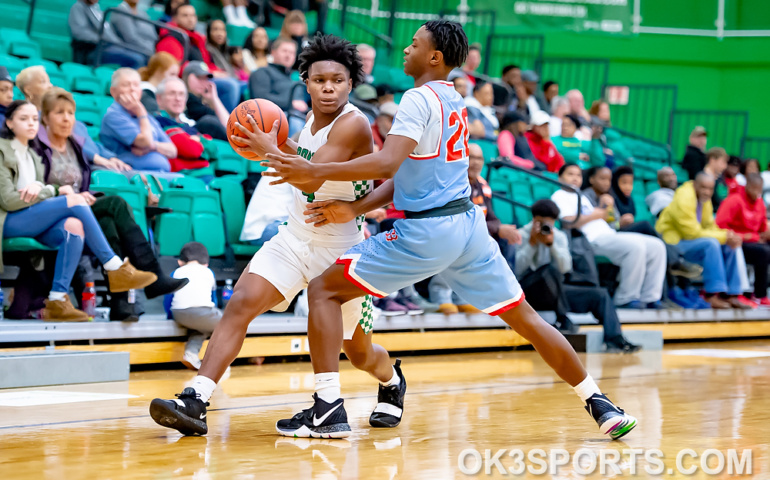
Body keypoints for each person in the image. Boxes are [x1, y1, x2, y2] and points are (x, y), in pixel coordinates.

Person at [261, 22, 636, 440]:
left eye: (415, 44)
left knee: (323, 290)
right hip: (469, 227)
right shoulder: (454, 98)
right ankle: (599, 402)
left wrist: (315, 170)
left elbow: (386, 164)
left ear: (434, 57)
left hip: (428, 232)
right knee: (527, 319)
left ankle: (326, 407)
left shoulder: (417, 98)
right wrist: (355, 208)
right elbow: (404, 172)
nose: (405, 49)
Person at [150, 34, 406, 438]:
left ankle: (391, 382)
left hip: (341, 247)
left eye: (336, 81)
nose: (327, 87)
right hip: (295, 236)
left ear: (350, 85)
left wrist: (270, 147)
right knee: (241, 304)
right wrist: (267, 142)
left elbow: (309, 175)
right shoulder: (308, 120)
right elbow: (303, 159)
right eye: (319, 79)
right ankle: (195, 398)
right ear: (305, 81)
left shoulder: (354, 123)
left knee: (360, 353)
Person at [34, 88, 188, 320]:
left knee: (107, 220)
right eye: (59, 113)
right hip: (51, 213)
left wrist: (87, 194)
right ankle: (152, 275)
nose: (67, 118)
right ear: (45, 118)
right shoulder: (37, 147)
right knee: (116, 204)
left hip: (79, 208)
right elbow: (36, 187)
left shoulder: (74, 147)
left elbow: (80, 184)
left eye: (70, 113)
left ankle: (121, 304)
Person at [0, 100, 157, 321]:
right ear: (9, 122)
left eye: (34, 119)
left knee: (74, 227)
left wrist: (45, 189)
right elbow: (7, 200)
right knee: (75, 201)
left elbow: (41, 191)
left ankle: (57, 299)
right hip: (9, 221)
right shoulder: (2, 150)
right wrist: (47, 190)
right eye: (23, 119)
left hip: (32, 217)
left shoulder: (33, 155)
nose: (31, 124)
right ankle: (114, 266)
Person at [516, 200, 640, 353]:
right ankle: (562, 318)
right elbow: (518, 270)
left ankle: (614, 338)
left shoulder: (559, 236)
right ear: (534, 219)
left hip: (557, 292)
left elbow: (565, 268)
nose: (547, 225)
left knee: (600, 295)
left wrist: (552, 245)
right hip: (530, 292)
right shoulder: (521, 234)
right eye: (542, 221)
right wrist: (532, 244)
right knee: (548, 271)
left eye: (551, 221)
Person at [554, 163, 666, 308]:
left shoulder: (582, 196)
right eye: (570, 174)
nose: (575, 178)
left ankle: (650, 297)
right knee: (635, 247)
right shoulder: (559, 195)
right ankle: (625, 298)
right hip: (590, 240)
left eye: (578, 175)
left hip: (609, 234)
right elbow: (567, 222)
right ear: (560, 177)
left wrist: (604, 211)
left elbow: (608, 219)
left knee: (657, 245)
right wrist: (598, 213)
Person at [430, 143, 520, 314]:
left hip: (474, 232)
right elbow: (459, 219)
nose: (475, 162)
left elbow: (492, 217)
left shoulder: (482, 185)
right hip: (448, 230)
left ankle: (475, 296)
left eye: (479, 158)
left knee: (509, 241)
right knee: (456, 239)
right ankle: (441, 295)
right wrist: (497, 228)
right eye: (471, 157)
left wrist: (500, 228)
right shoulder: (452, 182)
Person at [656, 173, 750, 309]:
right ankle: (711, 294)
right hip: (673, 244)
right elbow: (691, 233)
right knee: (711, 244)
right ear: (695, 185)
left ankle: (731, 295)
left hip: (691, 242)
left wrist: (728, 235)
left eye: (710, 189)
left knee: (730, 246)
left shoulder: (704, 200)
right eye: (703, 188)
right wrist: (723, 237)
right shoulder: (684, 197)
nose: (707, 192)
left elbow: (709, 226)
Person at [16, 66, 130, 172]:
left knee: (138, 176)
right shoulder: (33, 120)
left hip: (99, 162)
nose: (50, 85)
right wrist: (95, 158)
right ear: (28, 90)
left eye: (49, 81)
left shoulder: (74, 122)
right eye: (43, 82)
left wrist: (110, 157)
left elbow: (90, 143)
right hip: (82, 167)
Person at [156, 2, 240, 112]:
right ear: (175, 18)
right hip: (188, 80)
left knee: (241, 84)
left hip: (202, 76)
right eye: (185, 15)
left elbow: (205, 64)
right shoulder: (171, 38)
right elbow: (174, 68)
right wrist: (210, 73)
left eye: (193, 15)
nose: (190, 19)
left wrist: (218, 71)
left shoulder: (197, 39)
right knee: (230, 86)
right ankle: (228, 123)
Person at [100, 68, 177, 171]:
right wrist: (140, 112)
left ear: (140, 92)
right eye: (126, 85)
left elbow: (173, 151)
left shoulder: (146, 116)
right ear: (113, 91)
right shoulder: (114, 115)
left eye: (136, 85)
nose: (132, 89)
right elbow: (145, 142)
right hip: (129, 175)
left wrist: (153, 146)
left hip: (157, 174)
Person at [166, 242, 225, 370]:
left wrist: (170, 317)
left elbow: (168, 299)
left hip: (179, 314)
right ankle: (219, 361)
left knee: (200, 328)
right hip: (203, 312)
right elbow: (213, 300)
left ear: (180, 262)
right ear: (206, 263)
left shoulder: (176, 272)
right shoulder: (208, 272)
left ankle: (191, 353)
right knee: (228, 323)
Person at [716, 174, 770, 306]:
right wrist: (745, 236)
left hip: (754, 241)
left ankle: (760, 294)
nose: (757, 193)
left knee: (766, 249)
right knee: (764, 252)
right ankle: (757, 294)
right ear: (747, 186)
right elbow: (719, 226)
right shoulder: (734, 200)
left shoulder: (759, 203)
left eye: (760, 190)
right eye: (754, 189)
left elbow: (762, 227)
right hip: (733, 241)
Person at [248, 37, 308, 136]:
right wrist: (291, 104)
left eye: (292, 53)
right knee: (297, 124)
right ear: (273, 52)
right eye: (284, 51)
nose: (288, 55)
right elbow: (260, 99)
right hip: (276, 117)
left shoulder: (296, 78)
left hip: (300, 117)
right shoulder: (262, 72)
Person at [154, 78, 211, 173]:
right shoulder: (159, 122)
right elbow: (191, 150)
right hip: (183, 178)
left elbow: (214, 147)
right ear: (159, 99)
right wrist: (200, 142)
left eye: (181, 94)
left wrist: (199, 141)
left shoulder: (187, 126)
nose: (178, 99)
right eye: (172, 94)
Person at [68, 0, 148, 68]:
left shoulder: (96, 9)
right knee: (137, 59)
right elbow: (79, 33)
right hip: (94, 50)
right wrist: (104, 39)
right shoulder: (78, 7)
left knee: (142, 55)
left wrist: (116, 42)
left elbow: (108, 32)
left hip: (109, 47)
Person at [182, 62, 229, 141]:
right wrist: (214, 99)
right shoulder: (190, 101)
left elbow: (229, 125)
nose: (204, 82)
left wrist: (214, 99)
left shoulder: (200, 101)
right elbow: (229, 126)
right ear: (188, 78)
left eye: (206, 79)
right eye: (199, 78)